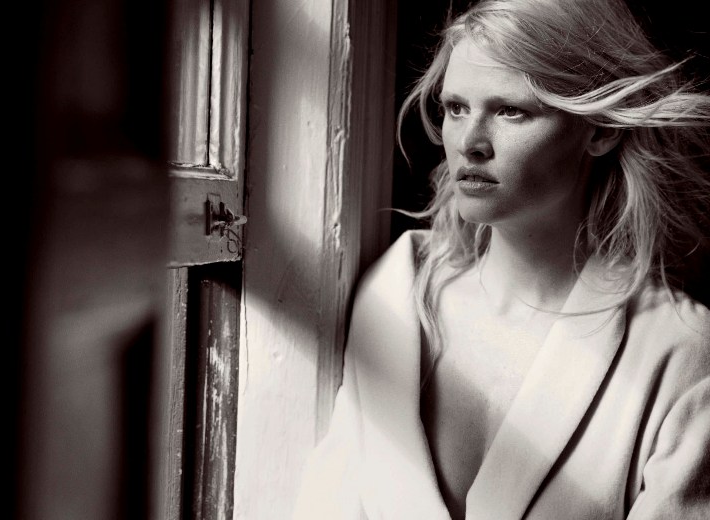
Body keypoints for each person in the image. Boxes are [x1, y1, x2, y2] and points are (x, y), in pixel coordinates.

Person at [293, 0, 710, 518]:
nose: (469, 144)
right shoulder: (394, 295)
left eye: (511, 110)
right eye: (456, 108)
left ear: (601, 130)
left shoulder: (681, 353)